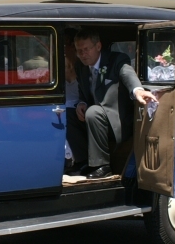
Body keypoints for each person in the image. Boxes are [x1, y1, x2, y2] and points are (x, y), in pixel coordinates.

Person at [66, 28, 156, 180]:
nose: (82, 54)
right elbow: (83, 91)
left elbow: (126, 73)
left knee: (93, 112)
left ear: (98, 47)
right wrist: (81, 103)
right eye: (79, 50)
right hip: (94, 118)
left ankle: (102, 166)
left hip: (116, 121)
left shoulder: (116, 60)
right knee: (69, 113)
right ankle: (82, 162)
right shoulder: (81, 67)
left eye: (86, 49)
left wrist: (137, 90)